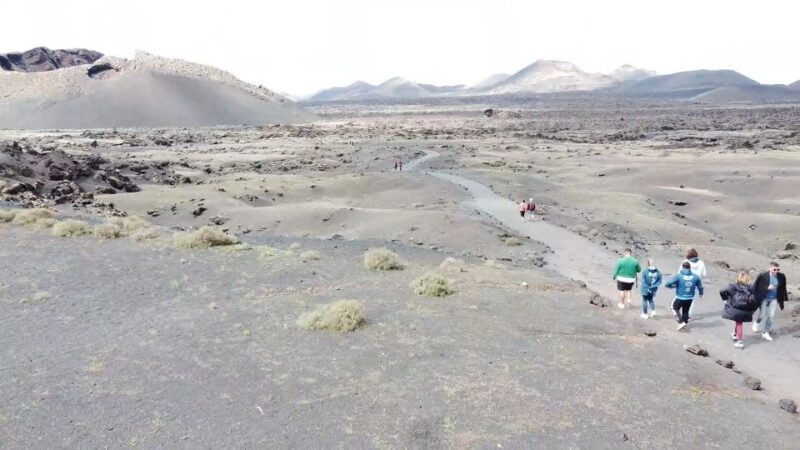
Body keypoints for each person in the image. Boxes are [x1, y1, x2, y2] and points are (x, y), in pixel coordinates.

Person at [719, 271, 759, 349]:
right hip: (746, 310)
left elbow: (722, 291)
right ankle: (735, 334)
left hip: (735, 309)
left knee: (739, 323)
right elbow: (756, 297)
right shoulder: (750, 288)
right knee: (738, 321)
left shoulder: (732, 286)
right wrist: (753, 310)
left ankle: (740, 341)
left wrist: (725, 299)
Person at [751, 262, 788, 341]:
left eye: (778, 269)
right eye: (774, 269)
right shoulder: (763, 276)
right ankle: (756, 323)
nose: (776, 271)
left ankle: (765, 332)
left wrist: (784, 297)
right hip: (764, 298)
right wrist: (767, 288)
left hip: (774, 299)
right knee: (762, 314)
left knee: (771, 316)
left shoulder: (781, 276)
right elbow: (756, 287)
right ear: (770, 268)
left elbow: (783, 287)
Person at [665, 261, 703, 330]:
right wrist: (701, 293)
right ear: (689, 268)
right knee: (686, 311)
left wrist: (671, 286)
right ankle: (685, 323)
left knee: (673, 307)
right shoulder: (696, 277)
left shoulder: (678, 276)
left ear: (682, 267)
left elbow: (668, 283)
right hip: (690, 297)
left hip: (680, 297)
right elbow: (700, 286)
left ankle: (681, 322)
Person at [677, 248, 707, 320]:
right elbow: (705, 274)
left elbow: (679, 273)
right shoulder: (701, 263)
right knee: (691, 300)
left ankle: (682, 314)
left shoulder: (685, 262)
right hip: (696, 283)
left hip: (684, 282)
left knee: (681, 297)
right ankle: (688, 315)